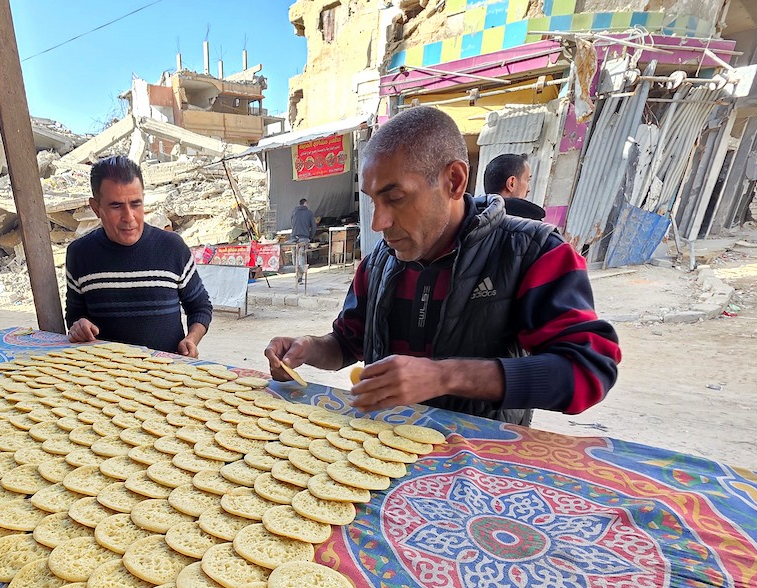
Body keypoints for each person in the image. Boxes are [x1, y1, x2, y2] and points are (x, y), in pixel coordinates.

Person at [264, 107, 620, 426]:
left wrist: (444, 376)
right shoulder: (378, 264)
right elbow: (346, 342)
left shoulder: (532, 253)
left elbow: (588, 370)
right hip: (377, 451)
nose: (379, 222)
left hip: (479, 468)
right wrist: (309, 347)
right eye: (374, 201)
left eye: (396, 198)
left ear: (454, 181)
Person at [65, 156, 213, 356]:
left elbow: (200, 306)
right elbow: (74, 315)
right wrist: (79, 326)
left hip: (167, 375)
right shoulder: (80, 254)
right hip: (104, 378)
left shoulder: (172, 248)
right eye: (116, 206)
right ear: (96, 208)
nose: (129, 217)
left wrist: (191, 339)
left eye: (135, 204)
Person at [483, 153, 546, 221]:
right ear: (511, 183)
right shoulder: (536, 228)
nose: (529, 189)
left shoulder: (474, 219)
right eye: (527, 180)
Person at [290, 198, 317, 284]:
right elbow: (314, 227)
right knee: (301, 255)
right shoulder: (309, 213)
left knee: (294, 255)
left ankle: (296, 273)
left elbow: (292, 223)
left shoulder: (294, 212)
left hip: (293, 237)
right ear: (305, 203)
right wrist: (311, 237)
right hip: (304, 237)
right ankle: (300, 276)